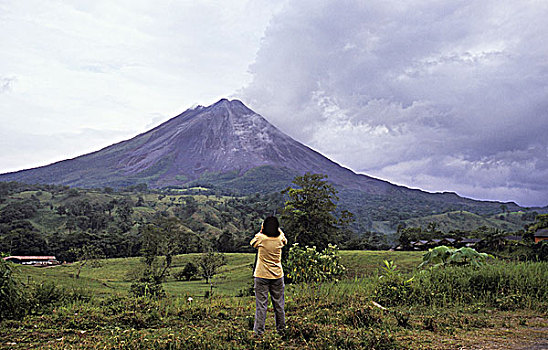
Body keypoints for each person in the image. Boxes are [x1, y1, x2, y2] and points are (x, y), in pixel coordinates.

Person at [250, 216, 287, 337]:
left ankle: (258, 333)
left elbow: (252, 243)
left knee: (261, 305)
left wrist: (261, 230)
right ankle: (281, 330)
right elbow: (284, 240)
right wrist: (278, 230)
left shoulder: (261, 238)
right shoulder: (280, 238)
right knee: (279, 305)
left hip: (261, 275)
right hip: (277, 276)